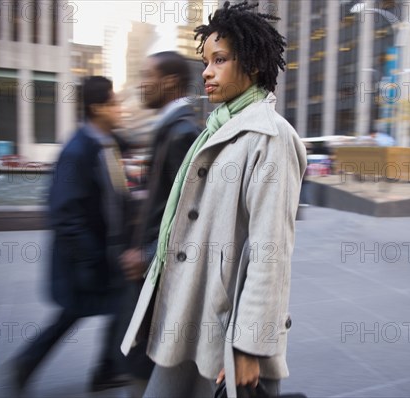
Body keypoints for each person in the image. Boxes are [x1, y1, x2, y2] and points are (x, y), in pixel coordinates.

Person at [120, 2, 307, 397]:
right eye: (205, 60)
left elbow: (270, 251)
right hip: (190, 314)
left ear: (253, 64)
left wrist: (248, 346)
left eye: (219, 60)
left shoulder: (270, 138)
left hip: (227, 330)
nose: (206, 71)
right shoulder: (217, 130)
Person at [6, 76, 131, 394]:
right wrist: (90, 257)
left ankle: (102, 369)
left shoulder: (106, 142)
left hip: (104, 253)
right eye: (114, 102)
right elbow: (63, 212)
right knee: (83, 311)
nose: (120, 108)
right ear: (97, 107)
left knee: (108, 308)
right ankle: (30, 363)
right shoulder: (78, 150)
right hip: (86, 258)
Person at [117, 51, 200, 395]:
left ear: (169, 82)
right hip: (151, 274)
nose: (141, 83)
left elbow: (189, 215)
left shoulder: (182, 131)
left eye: (146, 75)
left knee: (148, 369)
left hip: (160, 278)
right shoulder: (169, 127)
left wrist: (147, 254)